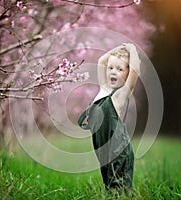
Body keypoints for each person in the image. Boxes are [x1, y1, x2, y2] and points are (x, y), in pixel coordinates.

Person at [78, 43, 141, 192]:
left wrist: (131, 49)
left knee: (119, 187)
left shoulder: (120, 94)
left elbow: (135, 70)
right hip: (104, 149)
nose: (113, 72)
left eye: (120, 69)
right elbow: (101, 61)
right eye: (111, 68)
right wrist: (119, 48)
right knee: (109, 184)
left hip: (118, 150)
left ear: (126, 74)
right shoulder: (104, 89)